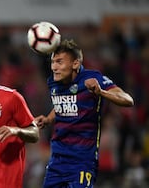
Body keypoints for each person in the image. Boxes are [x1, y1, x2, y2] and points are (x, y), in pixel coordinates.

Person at [35, 39, 134, 188]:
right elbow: (64, 103)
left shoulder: (92, 78)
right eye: (53, 62)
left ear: (75, 63)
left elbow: (128, 100)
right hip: (57, 160)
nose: (54, 67)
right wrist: (49, 119)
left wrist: (101, 93)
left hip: (82, 160)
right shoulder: (53, 82)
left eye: (59, 62)